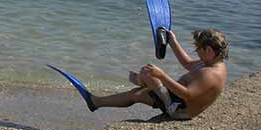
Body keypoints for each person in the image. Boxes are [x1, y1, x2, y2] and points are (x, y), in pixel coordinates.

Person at [76, 28, 228, 121]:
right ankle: (95, 102)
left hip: (179, 110)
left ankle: (141, 80)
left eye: (199, 51)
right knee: (137, 94)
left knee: (148, 73)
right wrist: (172, 41)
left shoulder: (210, 74)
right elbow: (187, 63)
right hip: (177, 102)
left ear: (208, 50)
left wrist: (162, 76)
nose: (197, 54)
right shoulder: (211, 63)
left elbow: (188, 95)